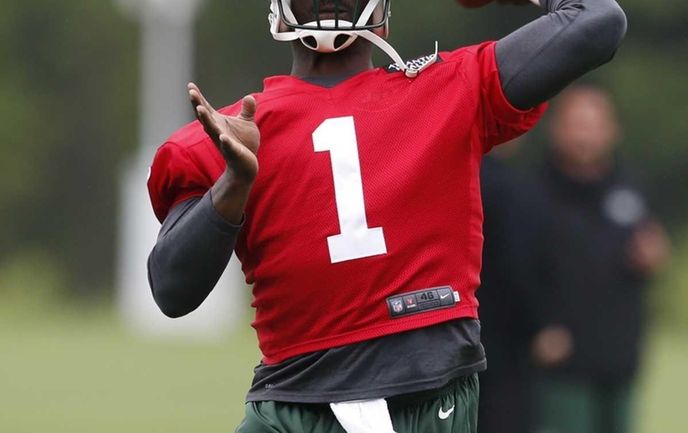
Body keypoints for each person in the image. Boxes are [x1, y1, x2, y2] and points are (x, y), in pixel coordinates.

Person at [145, 1, 626, 432]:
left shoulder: (446, 88)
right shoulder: (449, 87)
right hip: (315, 396)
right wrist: (234, 184)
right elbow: (171, 291)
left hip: (391, 397)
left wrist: (230, 184)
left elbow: (601, 23)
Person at [525, 85, 670, 433]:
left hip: (620, 355)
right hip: (562, 361)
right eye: (576, 124)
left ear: (612, 130)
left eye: (593, 124)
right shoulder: (533, 194)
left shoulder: (629, 189)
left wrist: (653, 257)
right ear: (556, 128)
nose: (584, 135)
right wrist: (538, 327)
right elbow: (518, 272)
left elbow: (650, 247)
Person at [477, 140, 550, 433]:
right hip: (501, 344)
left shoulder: (433, 177)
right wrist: (537, 326)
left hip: (436, 337)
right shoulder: (510, 189)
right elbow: (517, 265)